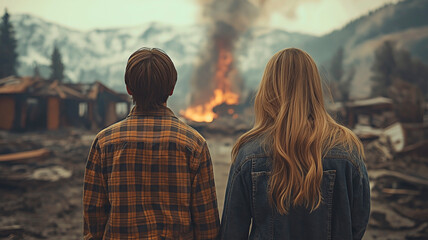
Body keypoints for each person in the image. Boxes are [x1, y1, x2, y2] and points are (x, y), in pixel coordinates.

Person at [220, 48, 370, 240]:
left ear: (267, 89)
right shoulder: (347, 148)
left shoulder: (249, 152)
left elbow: (232, 231)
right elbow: (358, 223)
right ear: (314, 87)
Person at [83, 48, 220, 239]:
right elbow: (208, 226)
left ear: (129, 88)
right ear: (171, 89)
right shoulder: (194, 144)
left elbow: (93, 221)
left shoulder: (104, 143)